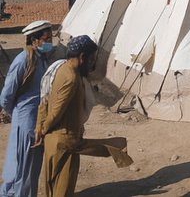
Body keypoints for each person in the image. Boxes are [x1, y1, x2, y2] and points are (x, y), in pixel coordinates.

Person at [35, 35, 132, 196]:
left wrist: (40, 127)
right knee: (62, 190)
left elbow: (44, 99)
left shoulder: (60, 68)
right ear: (82, 57)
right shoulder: (71, 78)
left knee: (51, 189)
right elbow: (56, 112)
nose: (93, 64)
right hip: (64, 142)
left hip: (57, 141)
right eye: (92, 59)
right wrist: (43, 129)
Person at [0, 20, 53, 197]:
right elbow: (6, 96)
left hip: (36, 123)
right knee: (22, 169)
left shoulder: (42, 60)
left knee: (31, 169)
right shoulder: (23, 60)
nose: (49, 42)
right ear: (34, 40)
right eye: (46, 39)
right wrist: (15, 113)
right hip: (25, 123)